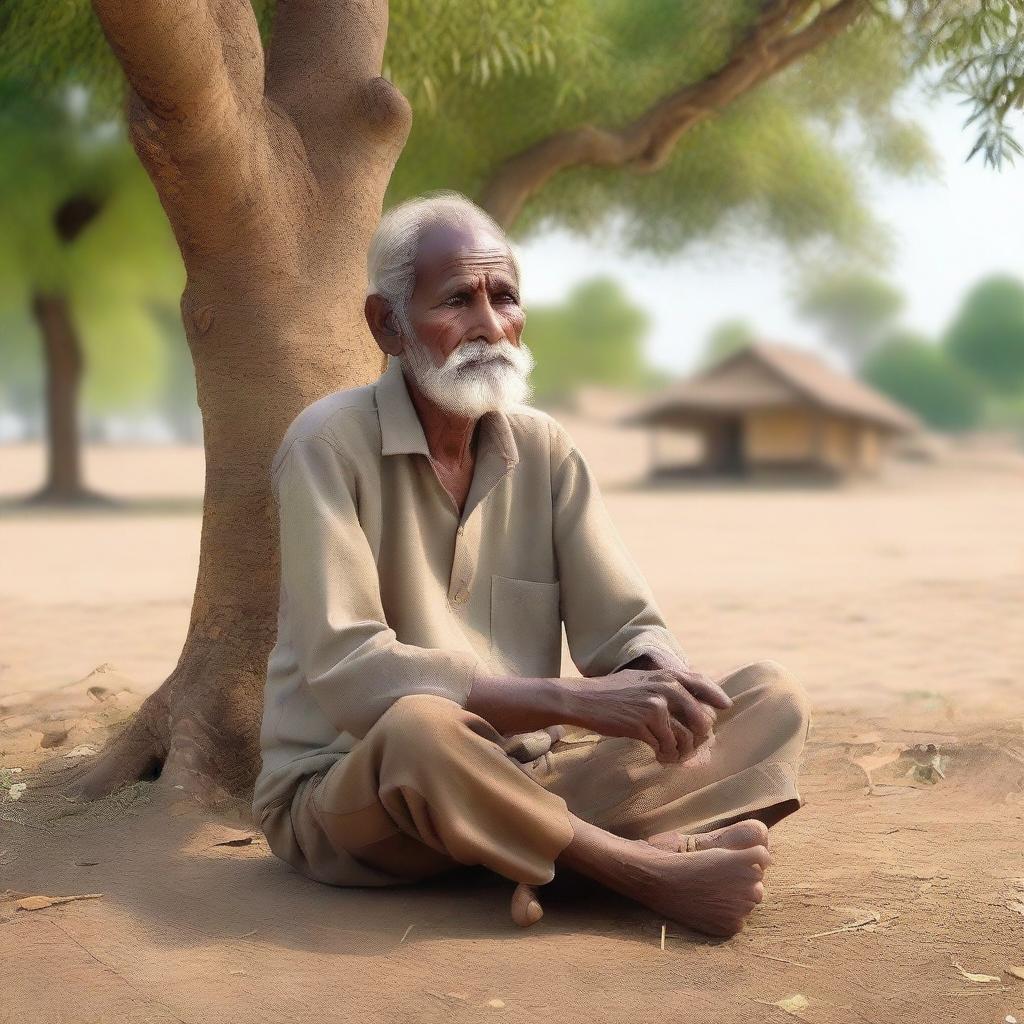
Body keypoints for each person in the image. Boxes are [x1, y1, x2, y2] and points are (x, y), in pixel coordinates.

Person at [253, 189, 810, 937]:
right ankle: (641, 870)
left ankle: (544, 854)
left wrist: (664, 677)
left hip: (520, 781)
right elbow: (355, 676)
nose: (490, 327)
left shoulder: (542, 446)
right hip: (358, 793)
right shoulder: (325, 446)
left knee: (768, 698)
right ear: (387, 325)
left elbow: (624, 628)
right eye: (457, 300)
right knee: (423, 724)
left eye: (505, 298)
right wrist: (570, 701)